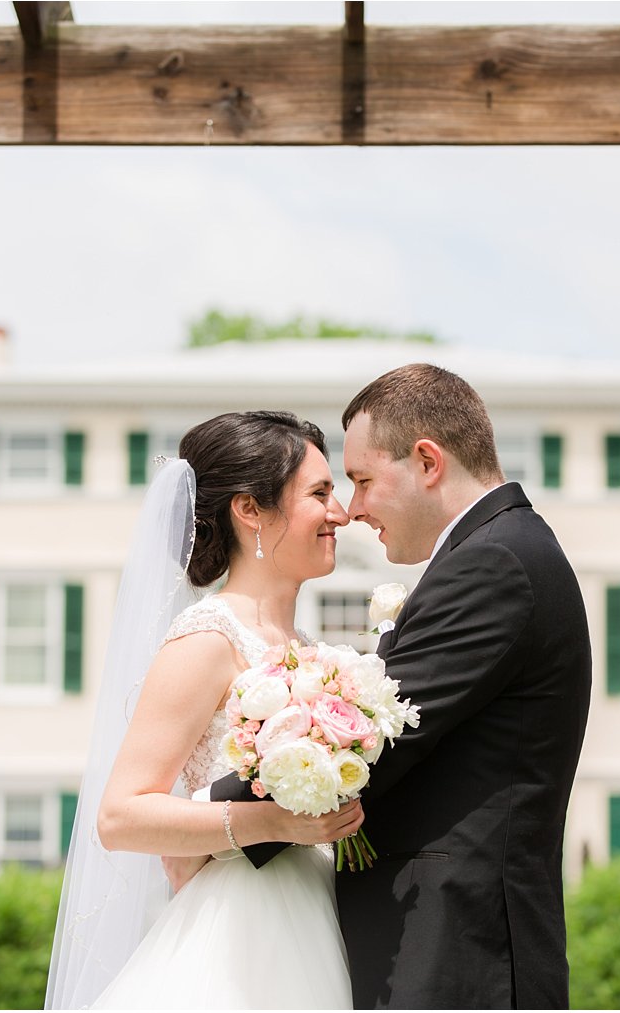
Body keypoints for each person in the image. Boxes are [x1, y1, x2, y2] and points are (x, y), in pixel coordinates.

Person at [210, 364, 593, 1009]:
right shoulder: (495, 550)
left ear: (426, 462)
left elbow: (369, 744)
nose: (352, 509)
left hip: (460, 959)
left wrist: (204, 823)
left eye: (361, 480)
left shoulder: (493, 564)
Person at [46, 411, 360, 1010]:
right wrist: (273, 823)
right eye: (320, 493)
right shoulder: (207, 639)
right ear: (250, 510)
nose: (341, 513)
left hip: (318, 910)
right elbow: (120, 816)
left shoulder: (310, 651)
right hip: (238, 933)